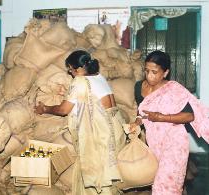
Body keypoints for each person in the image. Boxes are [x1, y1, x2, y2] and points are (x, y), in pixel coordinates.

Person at [34, 50, 123, 195]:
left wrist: (44, 108)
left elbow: (63, 109)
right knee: (107, 177)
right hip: (114, 131)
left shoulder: (80, 81)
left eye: (70, 69)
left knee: (97, 180)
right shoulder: (100, 78)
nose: (70, 73)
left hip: (98, 136)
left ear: (79, 68)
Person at [130, 50, 209, 195]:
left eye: (154, 72)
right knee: (162, 183)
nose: (149, 76)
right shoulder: (138, 87)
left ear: (165, 73)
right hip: (154, 143)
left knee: (164, 187)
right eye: (146, 71)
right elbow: (142, 112)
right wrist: (136, 123)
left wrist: (161, 117)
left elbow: (190, 116)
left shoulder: (173, 89)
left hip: (174, 143)